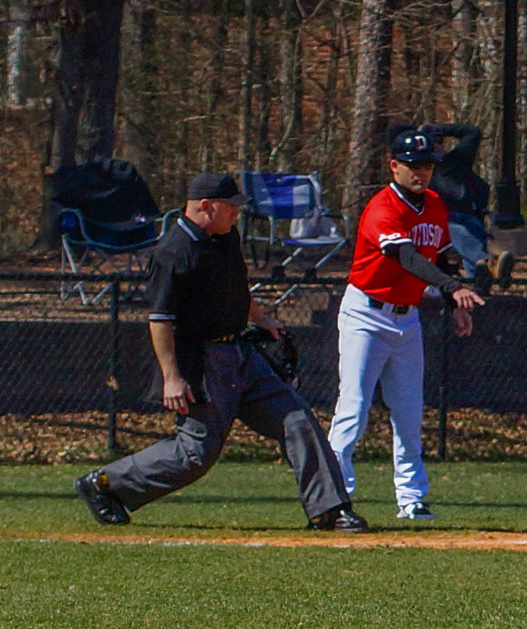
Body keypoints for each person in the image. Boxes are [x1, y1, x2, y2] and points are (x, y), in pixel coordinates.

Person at [74, 174, 366, 532]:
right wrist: (172, 378)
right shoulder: (172, 252)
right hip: (202, 361)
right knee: (195, 455)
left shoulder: (224, 237)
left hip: (242, 354)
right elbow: (160, 321)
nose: (236, 214)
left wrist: (261, 318)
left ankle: (330, 511)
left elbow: (235, 286)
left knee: (298, 421)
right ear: (206, 206)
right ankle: (104, 484)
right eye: (231, 207)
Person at [328, 127, 485, 521]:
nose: (422, 172)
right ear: (394, 166)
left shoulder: (433, 204)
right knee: (354, 409)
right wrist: (452, 286)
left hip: (406, 317)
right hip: (366, 314)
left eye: (428, 165)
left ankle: (411, 499)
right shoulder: (383, 207)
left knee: (410, 412)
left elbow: (442, 253)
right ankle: (333, 497)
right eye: (413, 165)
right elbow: (408, 257)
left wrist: (453, 302)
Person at [418, 122, 491, 285]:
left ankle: (480, 282)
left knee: (473, 228)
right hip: (437, 220)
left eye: (438, 143)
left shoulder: (456, 161)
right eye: (431, 144)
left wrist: (442, 129)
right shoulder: (418, 168)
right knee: (458, 231)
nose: (436, 147)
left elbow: (473, 132)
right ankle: (485, 263)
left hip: (466, 215)